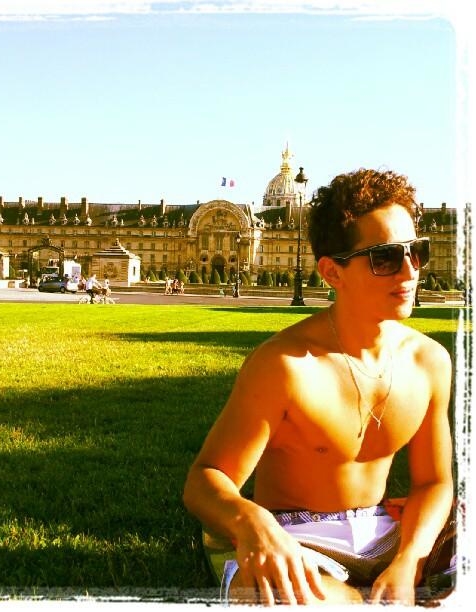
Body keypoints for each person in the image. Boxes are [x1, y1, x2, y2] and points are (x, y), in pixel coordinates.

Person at [183, 168, 455, 606]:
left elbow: (435, 482)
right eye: (385, 258)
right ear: (332, 272)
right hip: (297, 539)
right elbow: (205, 480)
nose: (409, 271)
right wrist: (251, 521)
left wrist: (410, 560)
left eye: (416, 252)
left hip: (392, 534)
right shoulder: (285, 365)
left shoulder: (430, 361)